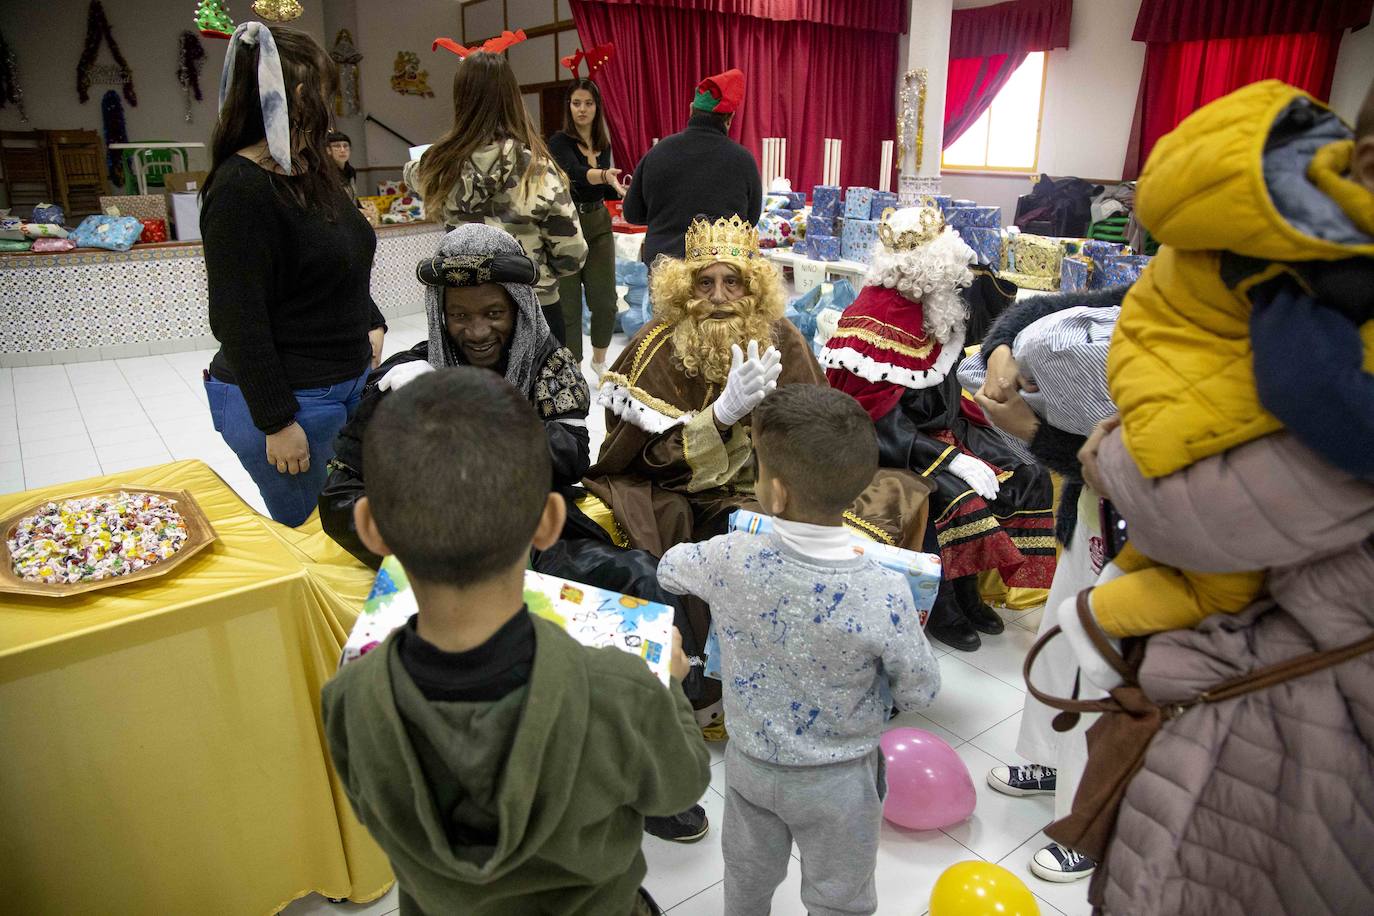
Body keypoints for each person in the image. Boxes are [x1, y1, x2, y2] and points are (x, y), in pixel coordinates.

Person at [320, 368, 711, 916]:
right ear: (550, 521)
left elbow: (373, 807)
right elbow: (678, 786)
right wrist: (667, 684)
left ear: (369, 528)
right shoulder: (621, 690)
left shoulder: (349, 694)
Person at [584, 213, 932, 734]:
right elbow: (642, 457)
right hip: (683, 490)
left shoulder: (783, 338)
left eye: (733, 281)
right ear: (685, 287)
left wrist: (774, 438)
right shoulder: (658, 344)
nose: (720, 295)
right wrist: (719, 417)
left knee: (895, 496)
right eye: (705, 282)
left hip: (772, 484)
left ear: (755, 287)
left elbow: (819, 428)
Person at [1064, 79, 1374, 661]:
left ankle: (1120, 589)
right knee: (1223, 583)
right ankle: (1097, 620)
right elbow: (1309, 387)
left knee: (1182, 555)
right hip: (1189, 423)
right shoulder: (1320, 252)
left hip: (1168, 392)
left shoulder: (1283, 205)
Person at [657, 385, 940, 916]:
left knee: (746, 877)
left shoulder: (729, 556)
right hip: (841, 781)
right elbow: (921, 688)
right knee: (840, 895)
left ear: (777, 494)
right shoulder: (883, 589)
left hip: (750, 766)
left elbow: (669, 567)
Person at [819, 206, 1056, 653]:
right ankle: (944, 601)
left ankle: (971, 592)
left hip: (941, 428)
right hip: (894, 445)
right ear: (925, 267)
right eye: (950, 261)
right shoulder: (877, 321)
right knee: (958, 495)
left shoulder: (932, 303)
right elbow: (876, 420)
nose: (960, 269)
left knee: (1025, 473)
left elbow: (986, 308)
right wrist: (951, 458)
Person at [957, 285, 1128, 885]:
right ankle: (1048, 758)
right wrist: (1003, 345)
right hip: (1095, 512)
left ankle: (1089, 811)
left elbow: (1158, 467)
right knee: (1058, 639)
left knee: (1106, 666)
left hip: (1155, 531)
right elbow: (1057, 306)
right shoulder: (1177, 285)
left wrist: (1037, 434)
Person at [318, 223, 590, 567]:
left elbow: (570, 456)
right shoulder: (407, 375)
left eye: (494, 314)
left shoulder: (548, 363)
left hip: (531, 537)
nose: (477, 332)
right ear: (441, 315)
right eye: (459, 315)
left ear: (518, 308)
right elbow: (339, 492)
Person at [201, 23, 386, 527]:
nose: (329, 103)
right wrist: (277, 421)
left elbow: (344, 256)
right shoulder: (240, 187)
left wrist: (372, 318)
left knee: (360, 529)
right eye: (321, 90)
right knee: (319, 540)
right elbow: (238, 319)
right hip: (293, 401)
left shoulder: (310, 166)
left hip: (345, 382)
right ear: (293, 93)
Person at [405, 50, 587, 346]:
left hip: (464, 315)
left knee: (477, 393)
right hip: (534, 308)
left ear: (461, 99)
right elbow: (572, 256)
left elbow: (411, 173)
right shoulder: (539, 170)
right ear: (511, 96)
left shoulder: (437, 167)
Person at [623, 69, 761, 267]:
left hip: (666, 271)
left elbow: (631, 213)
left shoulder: (656, 153)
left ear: (690, 110)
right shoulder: (743, 160)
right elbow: (751, 218)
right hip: (719, 272)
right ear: (729, 119)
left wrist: (664, 214)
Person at [548, 78, 625, 376]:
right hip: (566, 225)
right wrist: (605, 175)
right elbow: (576, 175)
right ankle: (573, 368)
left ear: (597, 107)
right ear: (569, 107)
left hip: (598, 223)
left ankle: (599, 361)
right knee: (568, 307)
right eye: (576, 103)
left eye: (588, 103)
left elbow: (605, 190)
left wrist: (622, 191)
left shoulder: (603, 143)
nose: (582, 109)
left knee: (605, 301)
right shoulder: (559, 142)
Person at [327, 130, 357, 194]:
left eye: (345, 146)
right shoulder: (324, 172)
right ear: (328, 150)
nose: (342, 150)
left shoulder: (351, 171)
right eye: (337, 146)